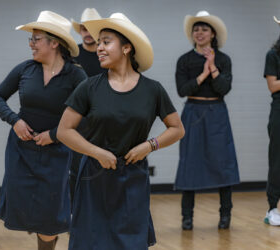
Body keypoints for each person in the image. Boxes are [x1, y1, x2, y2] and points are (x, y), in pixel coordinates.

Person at [57, 13, 184, 250]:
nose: (99, 48)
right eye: (99, 43)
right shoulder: (89, 87)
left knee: (130, 242)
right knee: (91, 242)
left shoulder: (152, 90)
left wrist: (149, 145)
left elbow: (177, 129)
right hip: (94, 177)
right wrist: (96, 152)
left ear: (126, 48)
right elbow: (64, 131)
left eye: (106, 42)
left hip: (133, 178)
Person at [0, 10, 86, 250]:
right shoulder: (25, 69)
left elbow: (87, 114)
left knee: (50, 212)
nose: (31, 44)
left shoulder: (76, 75)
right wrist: (14, 121)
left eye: (36, 39)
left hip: (57, 151)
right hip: (21, 150)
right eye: (30, 39)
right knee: (27, 207)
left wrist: (54, 134)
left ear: (54, 43)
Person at [174, 11, 239, 230]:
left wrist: (212, 67)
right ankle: (187, 217)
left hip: (217, 113)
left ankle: (225, 215)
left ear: (213, 34)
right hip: (192, 111)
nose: (199, 33)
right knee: (189, 163)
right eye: (196, 29)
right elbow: (182, 90)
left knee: (223, 164)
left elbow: (224, 88)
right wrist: (202, 74)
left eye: (204, 29)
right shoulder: (184, 60)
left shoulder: (223, 59)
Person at [69, 8, 106, 205]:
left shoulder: (107, 55)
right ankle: (75, 212)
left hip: (104, 120)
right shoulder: (71, 55)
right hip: (77, 120)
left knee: (101, 166)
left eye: (90, 28)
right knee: (75, 168)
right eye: (83, 28)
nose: (86, 32)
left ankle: (100, 210)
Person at [262, 15, 280, 226]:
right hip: (279, 111)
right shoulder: (273, 55)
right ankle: (272, 207)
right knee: (277, 160)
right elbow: (273, 85)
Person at [72, 8, 106, 77]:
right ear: (80, 31)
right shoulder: (72, 54)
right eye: (85, 29)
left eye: (91, 30)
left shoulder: (107, 54)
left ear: (98, 32)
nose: (88, 34)